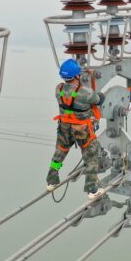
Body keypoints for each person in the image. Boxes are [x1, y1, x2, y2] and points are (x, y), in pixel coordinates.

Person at [47, 59, 106, 199]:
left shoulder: (58, 89)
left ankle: (51, 181)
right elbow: (98, 99)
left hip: (64, 127)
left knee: (59, 154)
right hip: (82, 130)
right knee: (91, 157)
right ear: (77, 75)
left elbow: (71, 95)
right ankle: (92, 190)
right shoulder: (85, 93)